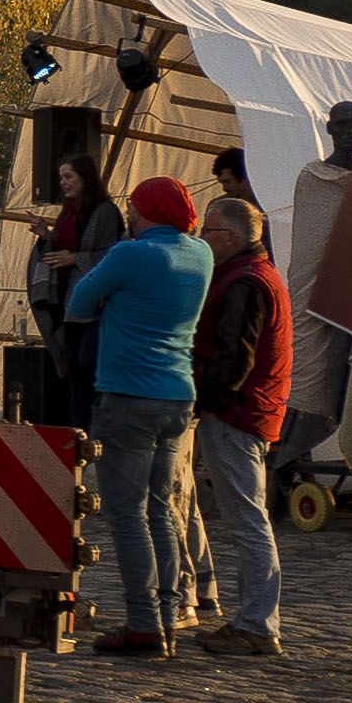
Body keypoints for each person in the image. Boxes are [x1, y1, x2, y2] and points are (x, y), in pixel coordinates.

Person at [58, 174, 210, 658]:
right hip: (177, 396)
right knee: (161, 509)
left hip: (128, 396)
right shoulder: (201, 254)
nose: (128, 212)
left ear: (147, 211)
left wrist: (112, 298)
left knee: (127, 514)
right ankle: (168, 614)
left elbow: (78, 303)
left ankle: (143, 623)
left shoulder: (130, 254)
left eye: (133, 206)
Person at [190, 192, 296, 658]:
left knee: (248, 520)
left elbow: (236, 354)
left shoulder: (246, 282)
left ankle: (258, 623)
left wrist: (210, 403)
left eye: (209, 230)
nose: (202, 237)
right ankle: (253, 620)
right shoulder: (251, 275)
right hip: (248, 409)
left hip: (238, 412)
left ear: (231, 236)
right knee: (247, 518)